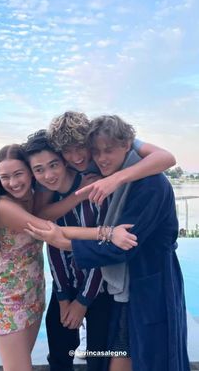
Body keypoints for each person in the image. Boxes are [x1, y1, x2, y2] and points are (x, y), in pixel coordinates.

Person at [26, 115, 190, 371]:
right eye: (96, 151)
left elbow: (120, 246)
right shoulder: (84, 176)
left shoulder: (147, 183)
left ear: (126, 145)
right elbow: (46, 220)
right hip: (119, 285)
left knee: (150, 354)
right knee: (115, 351)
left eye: (107, 150)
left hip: (147, 282)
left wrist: (65, 239)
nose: (97, 157)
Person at [23, 131, 112, 371]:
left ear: (63, 160)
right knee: (60, 353)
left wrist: (83, 301)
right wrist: (63, 298)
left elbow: (101, 251)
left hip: (100, 288)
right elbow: (55, 251)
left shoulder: (96, 189)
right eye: (39, 170)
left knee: (100, 358)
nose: (48, 175)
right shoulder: (45, 198)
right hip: (66, 285)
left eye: (53, 165)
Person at [0, 144, 52, 371]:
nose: (13, 182)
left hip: (33, 292)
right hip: (7, 300)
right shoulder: (4, 206)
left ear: (30, 172)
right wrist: (105, 233)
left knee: (20, 364)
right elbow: (51, 231)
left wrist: (83, 191)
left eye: (18, 173)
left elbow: (50, 211)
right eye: (5, 177)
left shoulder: (31, 199)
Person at [48, 111, 176, 205]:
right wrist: (78, 196)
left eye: (81, 147)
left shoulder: (112, 141)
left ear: (89, 139)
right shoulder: (58, 164)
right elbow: (42, 211)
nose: (76, 158)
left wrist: (115, 179)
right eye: (67, 151)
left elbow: (167, 157)